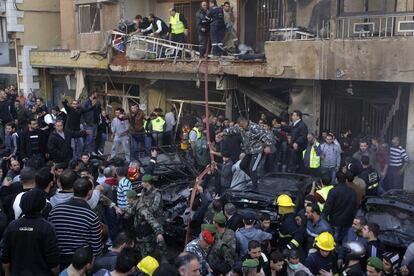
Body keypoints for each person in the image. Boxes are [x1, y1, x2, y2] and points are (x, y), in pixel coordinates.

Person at [1, 189, 60, 276]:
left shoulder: (12, 226)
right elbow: (53, 259)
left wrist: (7, 273)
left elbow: (5, 256)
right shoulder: (47, 228)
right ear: (43, 205)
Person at [48, 177, 102, 268]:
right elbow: (96, 249)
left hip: (59, 261)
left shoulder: (55, 211)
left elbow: (50, 239)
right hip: (82, 264)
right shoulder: (91, 216)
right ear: (89, 192)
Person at [124, 174, 166, 258]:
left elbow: (155, 207)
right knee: (148, 240)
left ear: (148, 183)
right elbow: (140, 201)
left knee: (159, 240)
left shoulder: (157, 193)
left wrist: (143, 211)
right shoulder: (143, 191)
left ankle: (163, 256)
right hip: (146, 218)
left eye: (143, 182)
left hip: (156, 218)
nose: (141, 183)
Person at [223, 117, 274, 186]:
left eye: (242, 125)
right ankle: (254, 179)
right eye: (240, 126)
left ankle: (255, 186)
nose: (241, 128)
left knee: (252, 168)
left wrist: (267, 146)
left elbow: (266, 136)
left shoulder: (254, 127)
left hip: (257, 151)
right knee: (242, 165)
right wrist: (222, 133)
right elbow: (232, 130)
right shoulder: (241, 127)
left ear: (245, 122)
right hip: (250, 151)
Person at [322, 171, 357, 244]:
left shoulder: (333, 191)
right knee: (344, 242)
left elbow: (327, 208)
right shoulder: (352, 192)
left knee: (334, 243)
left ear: (336, 179)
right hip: (348, 222)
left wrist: (323, 220)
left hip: (335, 222)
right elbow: (355, 207)